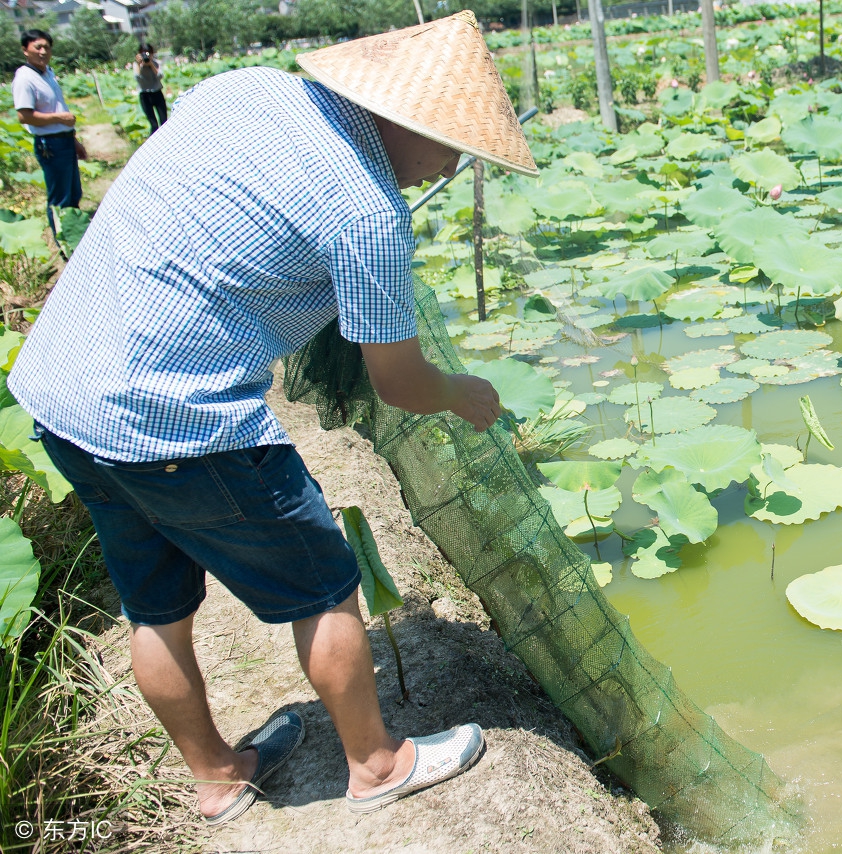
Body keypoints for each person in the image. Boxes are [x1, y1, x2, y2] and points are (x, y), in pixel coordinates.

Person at [9, 12, 539, 825]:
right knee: (324, 587)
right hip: (179, 418)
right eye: (456, 147)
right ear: (410, 122)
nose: (455, 165)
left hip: (63, 393)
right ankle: (376, 764)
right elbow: (399, 382)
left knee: (155, 608)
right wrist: (460, 392)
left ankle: (218, 778)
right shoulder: (366, 212)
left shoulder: (245, 91)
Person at [11, 29, 86, 231]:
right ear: (25, 50)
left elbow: (56, 106)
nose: (43, 52)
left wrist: (74, 141)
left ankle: (74, 232)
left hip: (64, 139)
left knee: (73, 192)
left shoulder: (47, 73)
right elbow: (24, 116)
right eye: (38, 47)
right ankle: (63, 239)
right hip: (50, 144)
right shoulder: (25, 78)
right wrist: (59, 118)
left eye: (47, 47)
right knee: (60, 196)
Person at [134, 42, 167, 134]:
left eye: (148, 53)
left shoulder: (156, 63)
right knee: (154, 125)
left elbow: (160, 76)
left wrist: (151, 64)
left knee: (164, 122)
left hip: (157, 93)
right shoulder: (136, 65)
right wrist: (139, 64)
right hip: (145, 95)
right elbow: (137, 78)